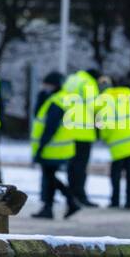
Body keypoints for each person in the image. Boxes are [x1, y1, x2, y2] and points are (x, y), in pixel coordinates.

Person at [30, 71, 80, 219]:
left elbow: (50, 127)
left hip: (52, 147)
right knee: (50, 177)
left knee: (49, 177)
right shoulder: (63, 98)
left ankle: (63, 204)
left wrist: (41, 147)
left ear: (54, 85)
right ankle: (57, 205)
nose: (44, 87)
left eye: (47, 84)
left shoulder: (56, 101)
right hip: (61, 147)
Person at [95, 75, 130, 208]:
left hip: (118, 143)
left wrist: (104, 137)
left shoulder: (103, 101)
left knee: (115, 174)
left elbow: (105, 123)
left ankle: (115, 201)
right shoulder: (126, 96)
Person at [62, 67, 101, 206]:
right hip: (83, 130)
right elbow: (95, 105)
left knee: (71, 166)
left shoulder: (71, 80)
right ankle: (80, 196)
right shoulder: (88, 82)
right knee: (81, 166)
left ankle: (71, 195)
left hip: (69, 129)